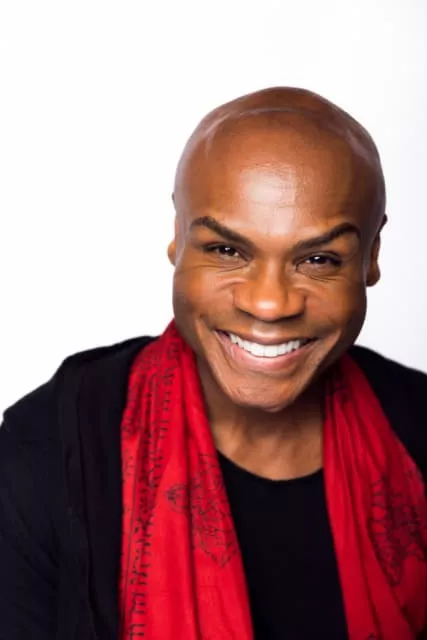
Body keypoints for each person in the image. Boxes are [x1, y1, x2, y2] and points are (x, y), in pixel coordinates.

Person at [1, 87, 427, 640]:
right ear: (178, 238)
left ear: (371, 257)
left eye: (319, 259)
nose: (269, 303)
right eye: (227, 251)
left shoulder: (416, 426)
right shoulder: (50, 451)